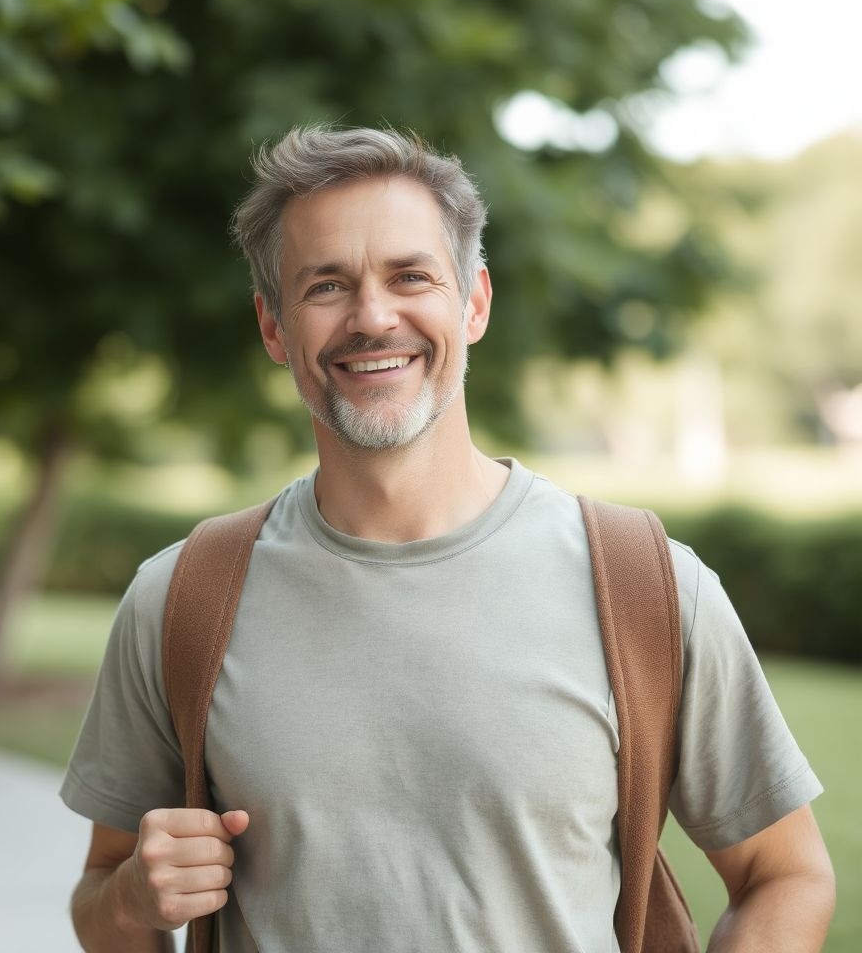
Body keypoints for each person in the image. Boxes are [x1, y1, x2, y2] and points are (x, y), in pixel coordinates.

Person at [59, 125, 835, 952]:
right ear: (274, 327)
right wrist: (136, 899)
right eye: (326, 286)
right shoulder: (182, 600)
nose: (372, 316)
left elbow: (783, 876)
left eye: (411, 276)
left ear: (473, 303)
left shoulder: (644, 587)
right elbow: (100, 892)